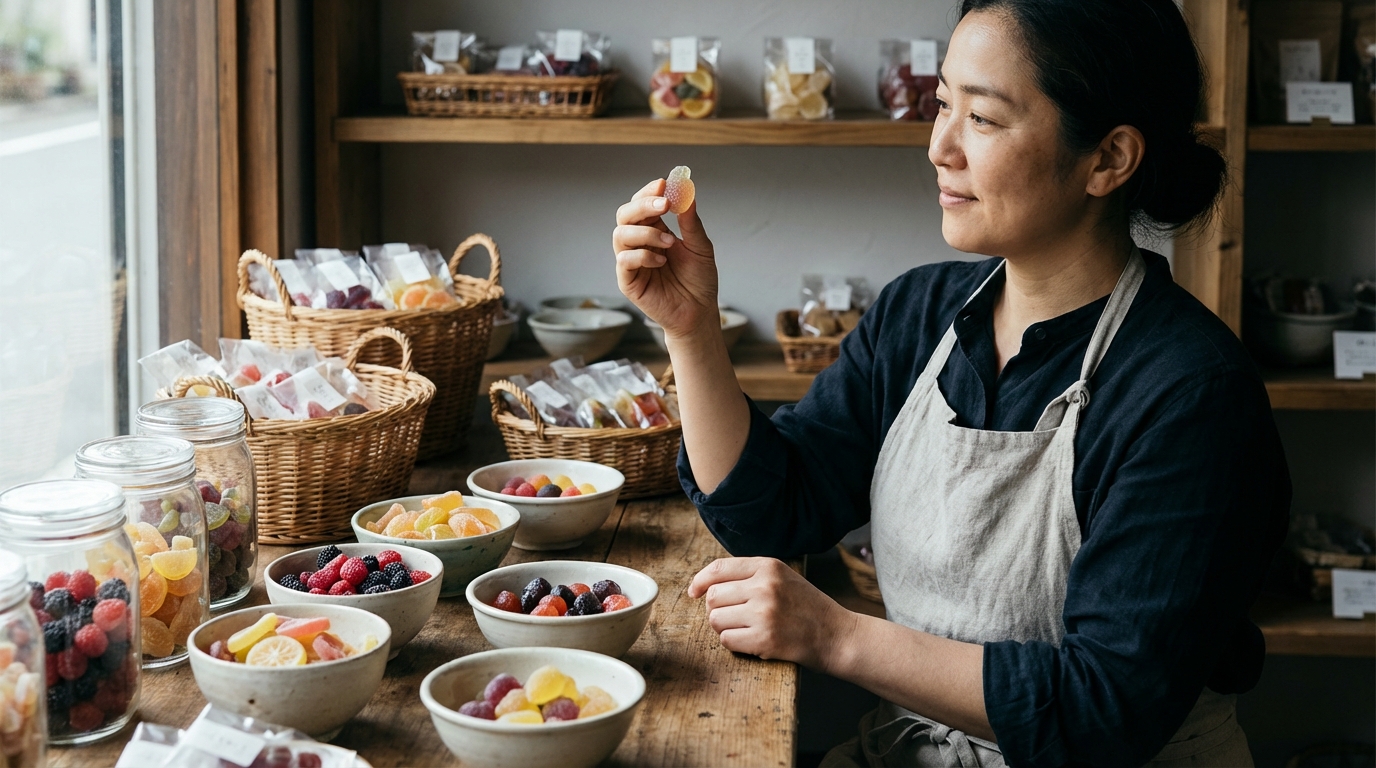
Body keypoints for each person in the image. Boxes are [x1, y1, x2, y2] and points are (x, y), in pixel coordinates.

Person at [611, 0, 1290, 765]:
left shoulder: (1191, 394)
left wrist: (834, 635)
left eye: (985, 119)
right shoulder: (920, 313)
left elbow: (1104, 706)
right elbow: (775, 508)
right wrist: (691, 331)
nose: (939, 147)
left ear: (1108, 159)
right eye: (942, 105)